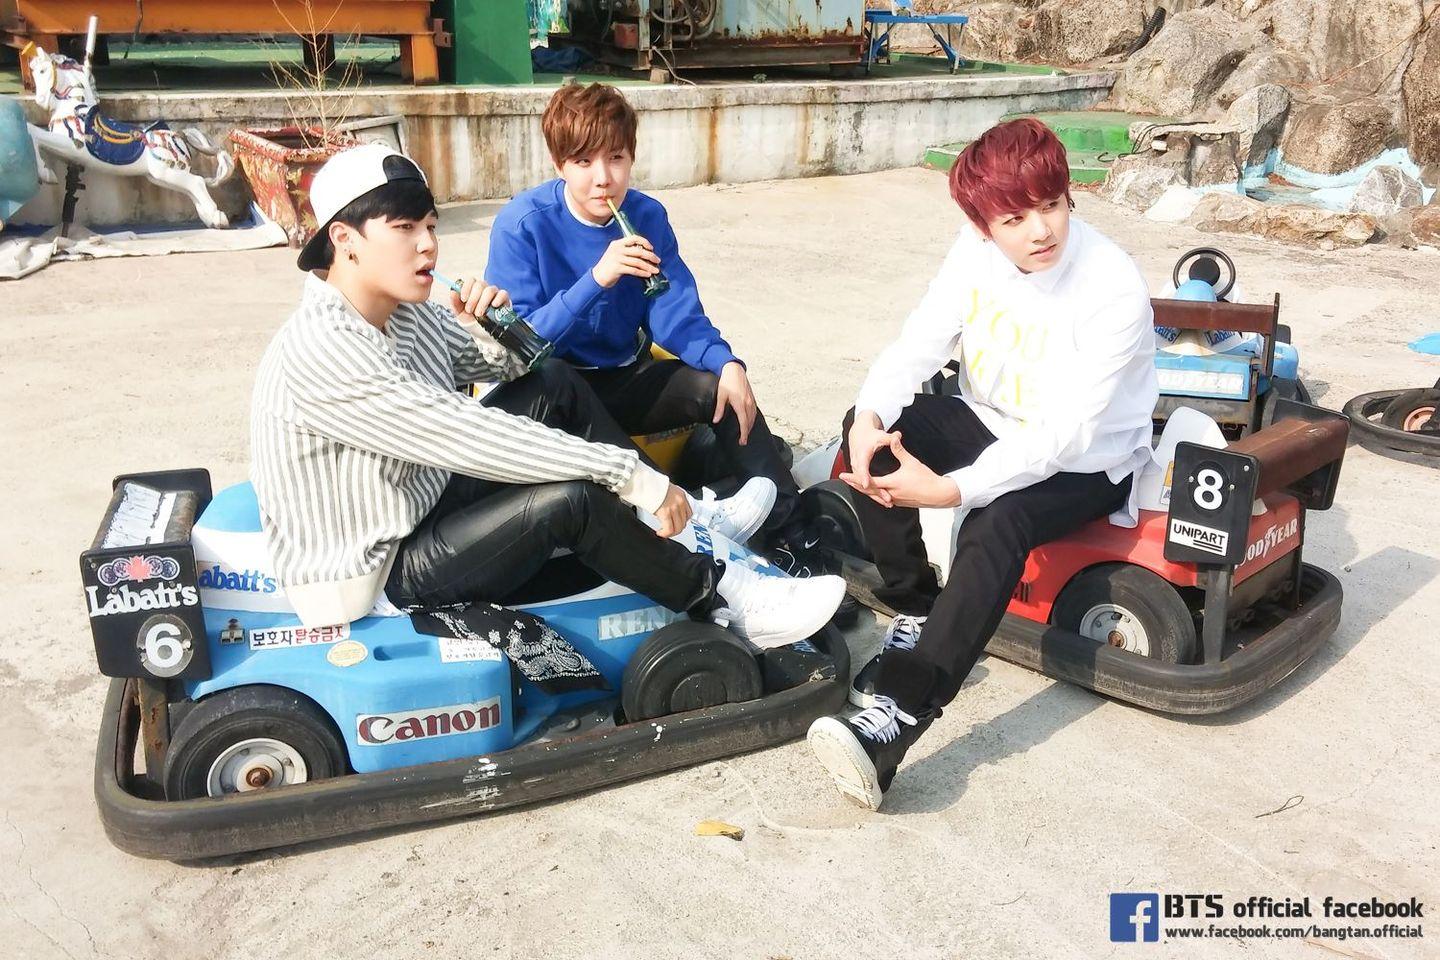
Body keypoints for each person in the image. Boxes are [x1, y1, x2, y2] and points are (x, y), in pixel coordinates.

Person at [250, 144, 845, 649]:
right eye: (404, 229)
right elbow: (472, 435)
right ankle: (723, 597)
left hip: (421, 500)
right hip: (379, 569)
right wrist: (632, 477)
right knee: (572, 501)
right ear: (345, 240)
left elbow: (518, 367)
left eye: (430, 226)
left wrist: (498, 324)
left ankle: (691, 520)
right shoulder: (325, 351)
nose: (428, 245)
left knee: (555, 382)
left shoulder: (402, 312)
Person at [806, 118, 1159, 809]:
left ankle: (899, 721)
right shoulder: (973, 253)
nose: (1041, 231)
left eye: (1051, 204)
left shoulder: (1113, 285)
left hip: (1091, 459)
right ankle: (918, 609)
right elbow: (918, 342)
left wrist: (951, 490)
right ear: (982, 224)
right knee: (868, 432)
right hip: (991, 421)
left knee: (997, 519)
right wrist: (871, 415)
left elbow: (1065, 433)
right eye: (1014, 218)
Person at [484, 82, 827, 576]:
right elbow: (522, 344)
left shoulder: (645, 216)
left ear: (631, 157)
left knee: (719, 388)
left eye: (616, 158)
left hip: (622, 377)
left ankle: (793, 537)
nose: (603, 179)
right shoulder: (523, 224)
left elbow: (674, 313)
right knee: (558, 380)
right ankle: (689, 525)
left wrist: (726, 362)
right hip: (556, 397)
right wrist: (597, 278)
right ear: (559, 165)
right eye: (583, 162)